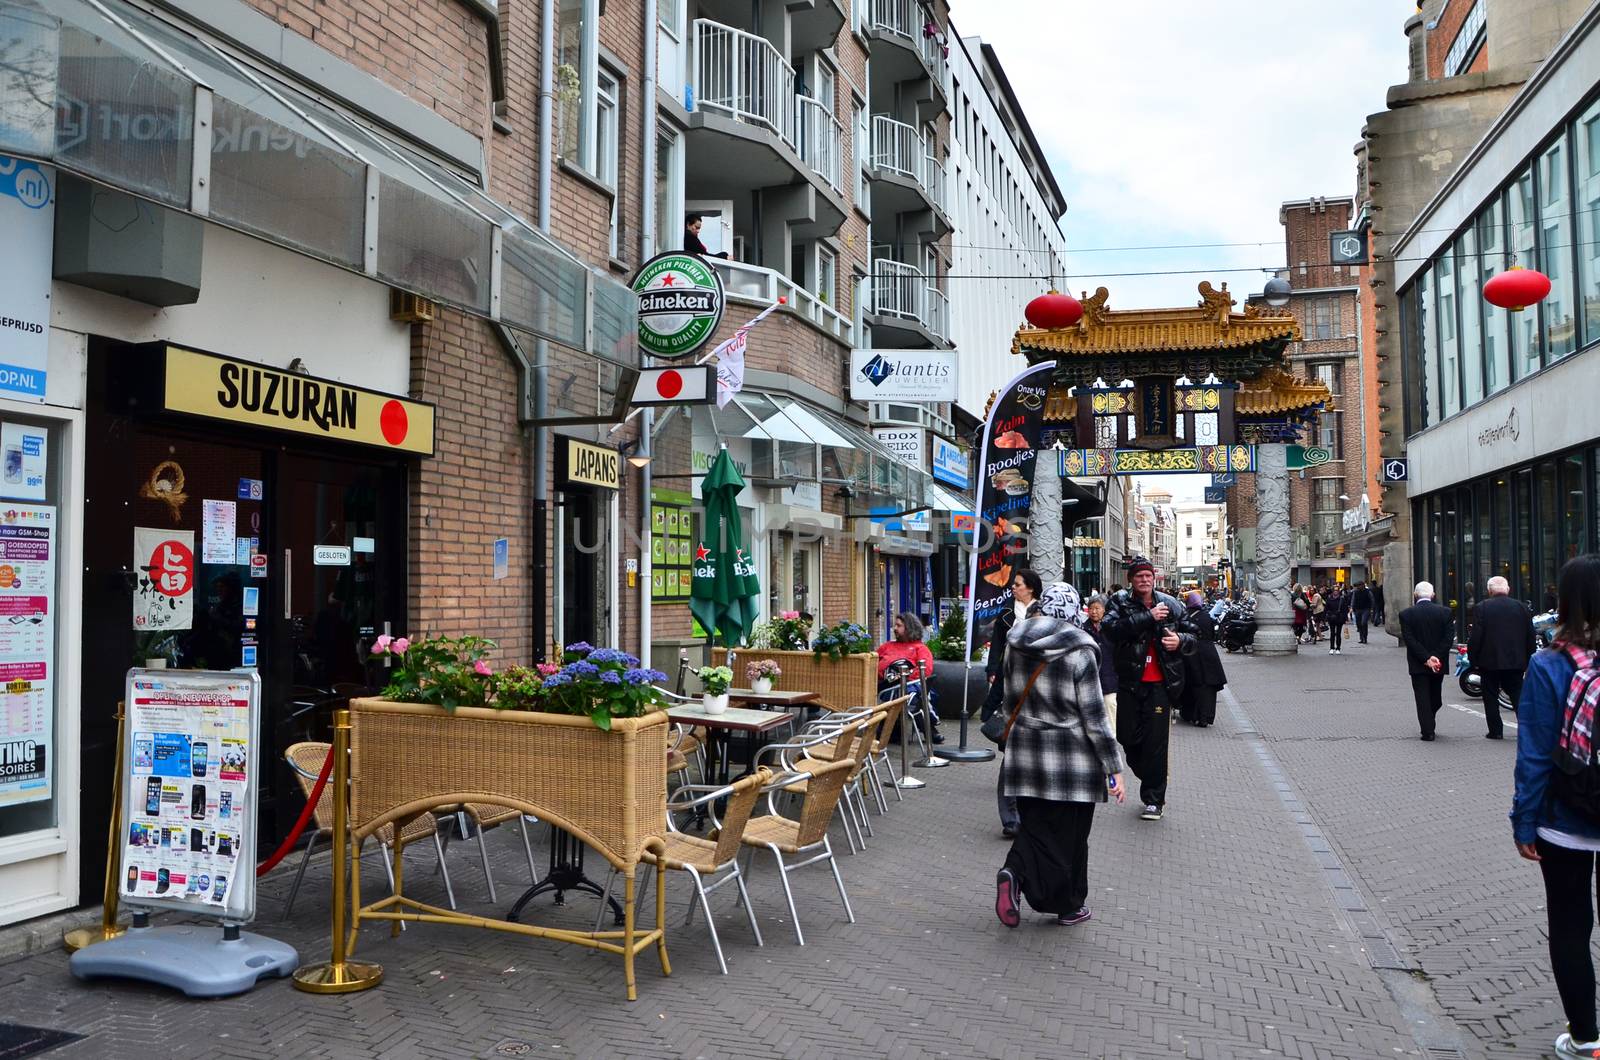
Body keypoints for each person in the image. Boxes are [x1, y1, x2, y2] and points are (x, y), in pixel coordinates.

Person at [1509, 553, 1600, 1059]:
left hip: (1566, 817)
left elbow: (1536, 754)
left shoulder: (1549, 665)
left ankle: (1586, 1038)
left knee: (1570, 924)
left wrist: (1525, 820)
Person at [993, 582, 1124, 929]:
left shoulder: (1015, 645)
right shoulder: (1080, 651)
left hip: (1025, 756)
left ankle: (1015, 872)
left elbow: (1008, 702)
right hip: (1072, 762)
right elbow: (1094, 719)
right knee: (1071, 838)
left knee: (1035, 827)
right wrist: (1114, 767)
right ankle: (1068, 906)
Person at [1103, 556, 1195, 821]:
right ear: (1131, 580)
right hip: (1130, 682)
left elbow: (1197, 635)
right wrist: (1147, 617)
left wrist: (1179, 641)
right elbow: (1111, 630)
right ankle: (1149, 774)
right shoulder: (1120, 602)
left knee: (1156, 744)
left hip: (1160, 684)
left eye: (1148, 576)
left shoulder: (1171, 604)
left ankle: (1154, 799)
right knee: (1127, 737)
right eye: (1139, 576)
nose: (1144, 580)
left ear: (1154, 578)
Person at [984, 569, 1044, 837]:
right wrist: (992, 670)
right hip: (1011, 688)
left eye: (1017, 584)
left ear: (1030, 588)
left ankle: (1031, 813)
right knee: (1011, 757)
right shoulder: (1007, 612)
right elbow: (997, 643)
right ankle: (1010, 819)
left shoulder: (1045, 611)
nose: (1013, 588)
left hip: (1039, 692)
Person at [1468, 574, 1537, 740]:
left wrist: (1474, 659)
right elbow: (1530, 636)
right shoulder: (1522, 608)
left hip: (1489, 661)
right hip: (1516, 661)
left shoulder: (1482, 607)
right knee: (1517, 694)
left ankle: (1496, 731)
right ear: (1507, 589)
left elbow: (1476, 636)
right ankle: (1526, 729)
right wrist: (1528, 658)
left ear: (1489, 591)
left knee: (1490, 695)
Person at [1399, 581, 1455, 741]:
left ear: (1415, 595)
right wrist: (1435, 656)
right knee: (1435, 696)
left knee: (1422, 696)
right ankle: (1428, 727)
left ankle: (1427, 728)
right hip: (1439, 662)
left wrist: (1425, 658)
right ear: (1433, 595)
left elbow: (1409, 639)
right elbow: (1448, 638)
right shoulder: (1445, 612)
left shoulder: (1406, 614)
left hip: (1418, 661)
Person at [877, 611, 941, 743]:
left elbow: (926, 670)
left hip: (911, 685)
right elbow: (873, 662)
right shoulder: (887, 647)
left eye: (899, 626)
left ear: (909, 628)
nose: (895, 628)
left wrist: (904, 677)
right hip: (888, 687)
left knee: (915, 692)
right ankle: (929, 728)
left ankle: (911, 711)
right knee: (915, 697)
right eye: (895, 625)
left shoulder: (920, 649)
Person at [1179, 591, 1227, 727]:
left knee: (1194, 684)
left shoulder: (1187, 617)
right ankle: (1206, 716)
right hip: (1210, 654)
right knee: (1208, 686)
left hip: (1192, 653)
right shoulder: (1206, 616)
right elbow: (1212, 634)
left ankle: (1194, 715)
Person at [1084, 594, 1119, 732]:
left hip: (1110, 675)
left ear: (1104, 609)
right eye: (1091, 608)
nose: (1094, 612)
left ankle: (1111, 739)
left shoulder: (1112, 627)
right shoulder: (1083, 628)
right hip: (1090, 676)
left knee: (1110, 706)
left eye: (1097, 608)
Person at [1325, 583, 1350, 654]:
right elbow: (1326, 609)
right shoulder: (1329, 599)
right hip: (1331, 617)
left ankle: (1338, 648)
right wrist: (1325, 618)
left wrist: (1345, 618)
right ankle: (1331, 647)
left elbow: (1345, 609)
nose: (1335, 592)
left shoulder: (1342, 599)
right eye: (1334, 590)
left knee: (1338, 633)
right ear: (1332, 591)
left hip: (1340, 618)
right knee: (1332, 633)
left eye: (1337, 590)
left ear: (1339, 591)